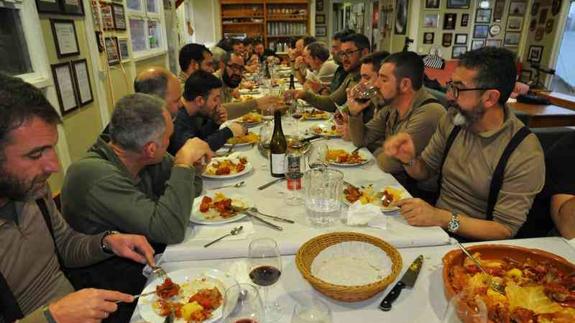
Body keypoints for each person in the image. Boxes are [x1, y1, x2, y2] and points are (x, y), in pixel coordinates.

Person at [0, 73, 155, 322]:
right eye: (35, 154)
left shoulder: (33, 191)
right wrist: (52, 317)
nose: (54, 166)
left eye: (51, 147)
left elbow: (66, 245)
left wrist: (108, 242)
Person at [384, 47, 545, 241]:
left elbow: (504, 229)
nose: (449, 96)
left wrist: (443, 219)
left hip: (475, 246)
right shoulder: (454, 120)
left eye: (458, 88)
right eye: (451, 85)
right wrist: (409, 159)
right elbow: (425, 171)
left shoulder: (524, 151)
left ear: (490, 98)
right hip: (436, 228)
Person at [348, 51, 445, 175]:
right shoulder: (393, 105)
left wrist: (377, 150)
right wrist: (355, 114)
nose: (376, 84)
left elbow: (389, 164)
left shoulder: (429, 113)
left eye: (384, 79)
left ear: (404, 84)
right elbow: (361, 140)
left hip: (416, 190)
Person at [286, 33, 370, 113]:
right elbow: (331, 102)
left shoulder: (370, 78)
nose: (344, 58)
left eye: (349, 53)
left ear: (364, 53)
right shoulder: (351, 75)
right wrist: (303, 95)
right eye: (342, 54)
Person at [169, 70, 246, 153]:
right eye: (215, 99)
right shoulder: (177, 119)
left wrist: (214, 123)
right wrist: (228, 132)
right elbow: (194, 151)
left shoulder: (191, 113)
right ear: (199, 100)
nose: (218, 104)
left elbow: (198, 138)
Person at [217, 52, 282, 119]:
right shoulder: (213, 85)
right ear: (222, 65)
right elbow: (219, 112)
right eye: (234, 67)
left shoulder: (227, 82)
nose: (238, 73)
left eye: (241, 69)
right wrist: (256, 103)